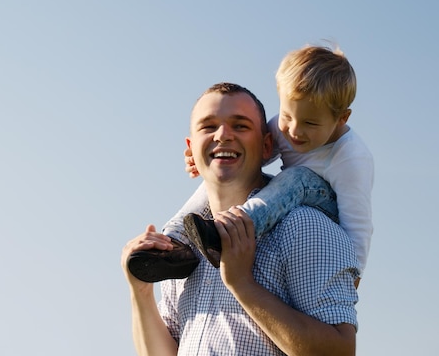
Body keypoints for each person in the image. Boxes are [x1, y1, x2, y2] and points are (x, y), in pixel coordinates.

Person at [121, 82, 359, 356]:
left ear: (267, 145)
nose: (223, 135)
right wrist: (141, 291)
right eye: (208, 127)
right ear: (191, 148)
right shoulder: (181, 250)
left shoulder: (305, 225)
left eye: (240, 126)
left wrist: (242, 284)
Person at [129, 44, 373, 286]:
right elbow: (255, 155)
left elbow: (358, 225)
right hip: (285, 197)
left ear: (342, 118)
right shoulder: (284, 127)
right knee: (220, 173)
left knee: (300, 177)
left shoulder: (351, 159)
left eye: (310, 123)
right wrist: (212, 157)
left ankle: (228, 234)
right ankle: (173, 243)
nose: (295, 130)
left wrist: (352, 275)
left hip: (325, 213)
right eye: (287, 116)